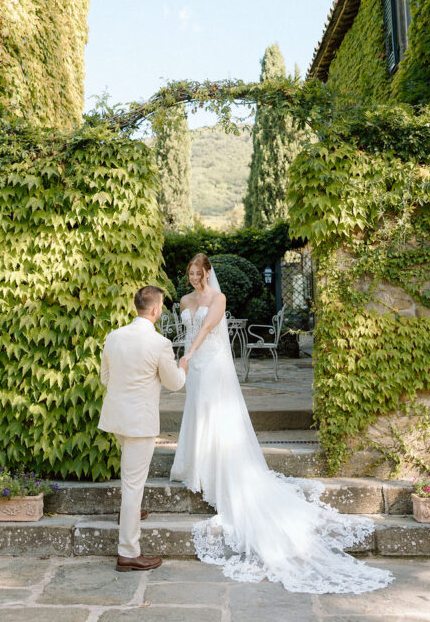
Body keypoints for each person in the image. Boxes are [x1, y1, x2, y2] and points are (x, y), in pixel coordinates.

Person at [170, 253, 393, 595]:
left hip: (211, 363)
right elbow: (185, 331)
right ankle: (196, 467)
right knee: (196, 413)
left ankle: (214, 471)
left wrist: (187, 356)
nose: (194, 278)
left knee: (215, 414)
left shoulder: (218, 298)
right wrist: (183, 358)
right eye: (191, 273)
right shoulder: (185, 299)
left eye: (199, 273)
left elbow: (204, 330)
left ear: (209, 273)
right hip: (193, 366)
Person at [99, 284, 187, 572]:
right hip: (140, 423)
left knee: (131, 478)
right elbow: (174, 383)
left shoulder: (113, 336)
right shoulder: (160, 343)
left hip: (117, 419)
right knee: (133, 484)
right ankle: (128, 552)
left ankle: (132, 513)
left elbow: (105, 378)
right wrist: (183, 365)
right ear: (156, 310)